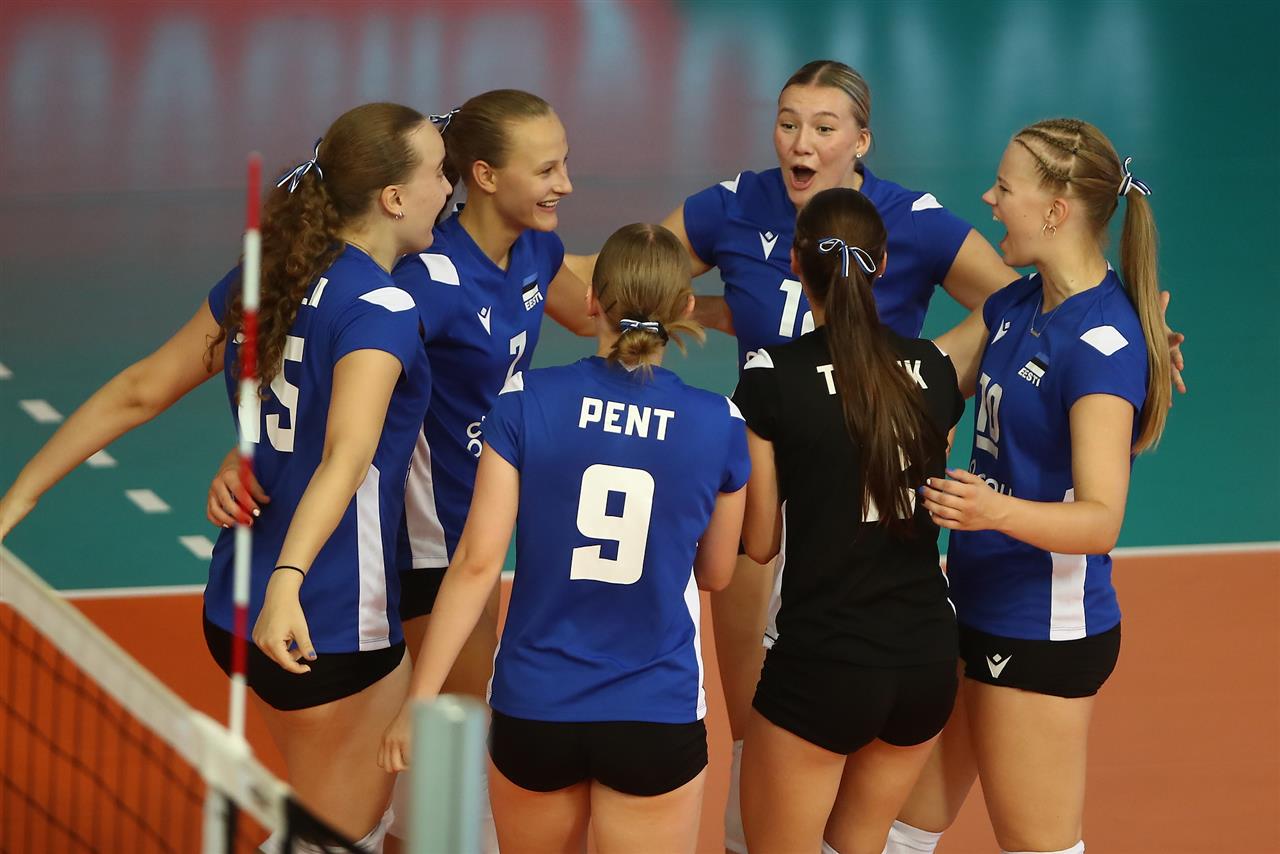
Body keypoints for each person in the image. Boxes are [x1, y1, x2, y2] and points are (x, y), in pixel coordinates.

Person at [0, 102, 452, 849]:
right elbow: (346, 456)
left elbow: (140, 389)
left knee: (320, 811)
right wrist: (290, 584)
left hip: (234, 606)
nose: (448, 187)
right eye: (438, 173)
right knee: (339, 837)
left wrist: (18, 495)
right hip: (328, 619)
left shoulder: (269, 275)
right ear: (394, 198)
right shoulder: (381, 307)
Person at [628, 59, 1020, 851]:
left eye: (823, 127)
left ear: (861, 141)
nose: (800, 142)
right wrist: (927, 379)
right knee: (759, 733)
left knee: (790, 731)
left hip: (805, 495)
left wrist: (924, 389)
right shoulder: (734, 204)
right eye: (787, 123)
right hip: (806, 512)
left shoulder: (913, 219)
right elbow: (633, 275)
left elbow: (1011, 300)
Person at [206, 89, 592, 850]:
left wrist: (730, 301)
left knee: (422, 754)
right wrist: (251, 444)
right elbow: (328, 360)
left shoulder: (535, 251)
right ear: (484, 175)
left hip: (475, 527)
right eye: (547, 168)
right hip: (417, 548)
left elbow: (600, 311)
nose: (566, 183)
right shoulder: (417, 280)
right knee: (450, 746)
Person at [378, 223, 749, 854]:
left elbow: (475, 565)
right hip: (653, 708)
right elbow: (715, 574)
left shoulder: (526, 401)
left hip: (536, 704)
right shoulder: (721, 422)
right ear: (685, 308)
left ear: (593, 300)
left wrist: (419, 701)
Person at [888, 118, 1173, 854]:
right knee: (897, 832)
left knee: (1038, 848)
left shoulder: (1101, 348)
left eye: (1003, 188)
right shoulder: (1019, 304)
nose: (988, 199)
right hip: (974, 603)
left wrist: (993, 509)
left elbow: (1101, 519)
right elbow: (917, 382)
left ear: (1055, 210)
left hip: (1039, 626)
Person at [731, 187, 965, 854]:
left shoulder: (773, 376)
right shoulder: (932, 369)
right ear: (882, 265)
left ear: (796, 264)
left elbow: (761, 541)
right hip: (924, 658)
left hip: (825, 660)